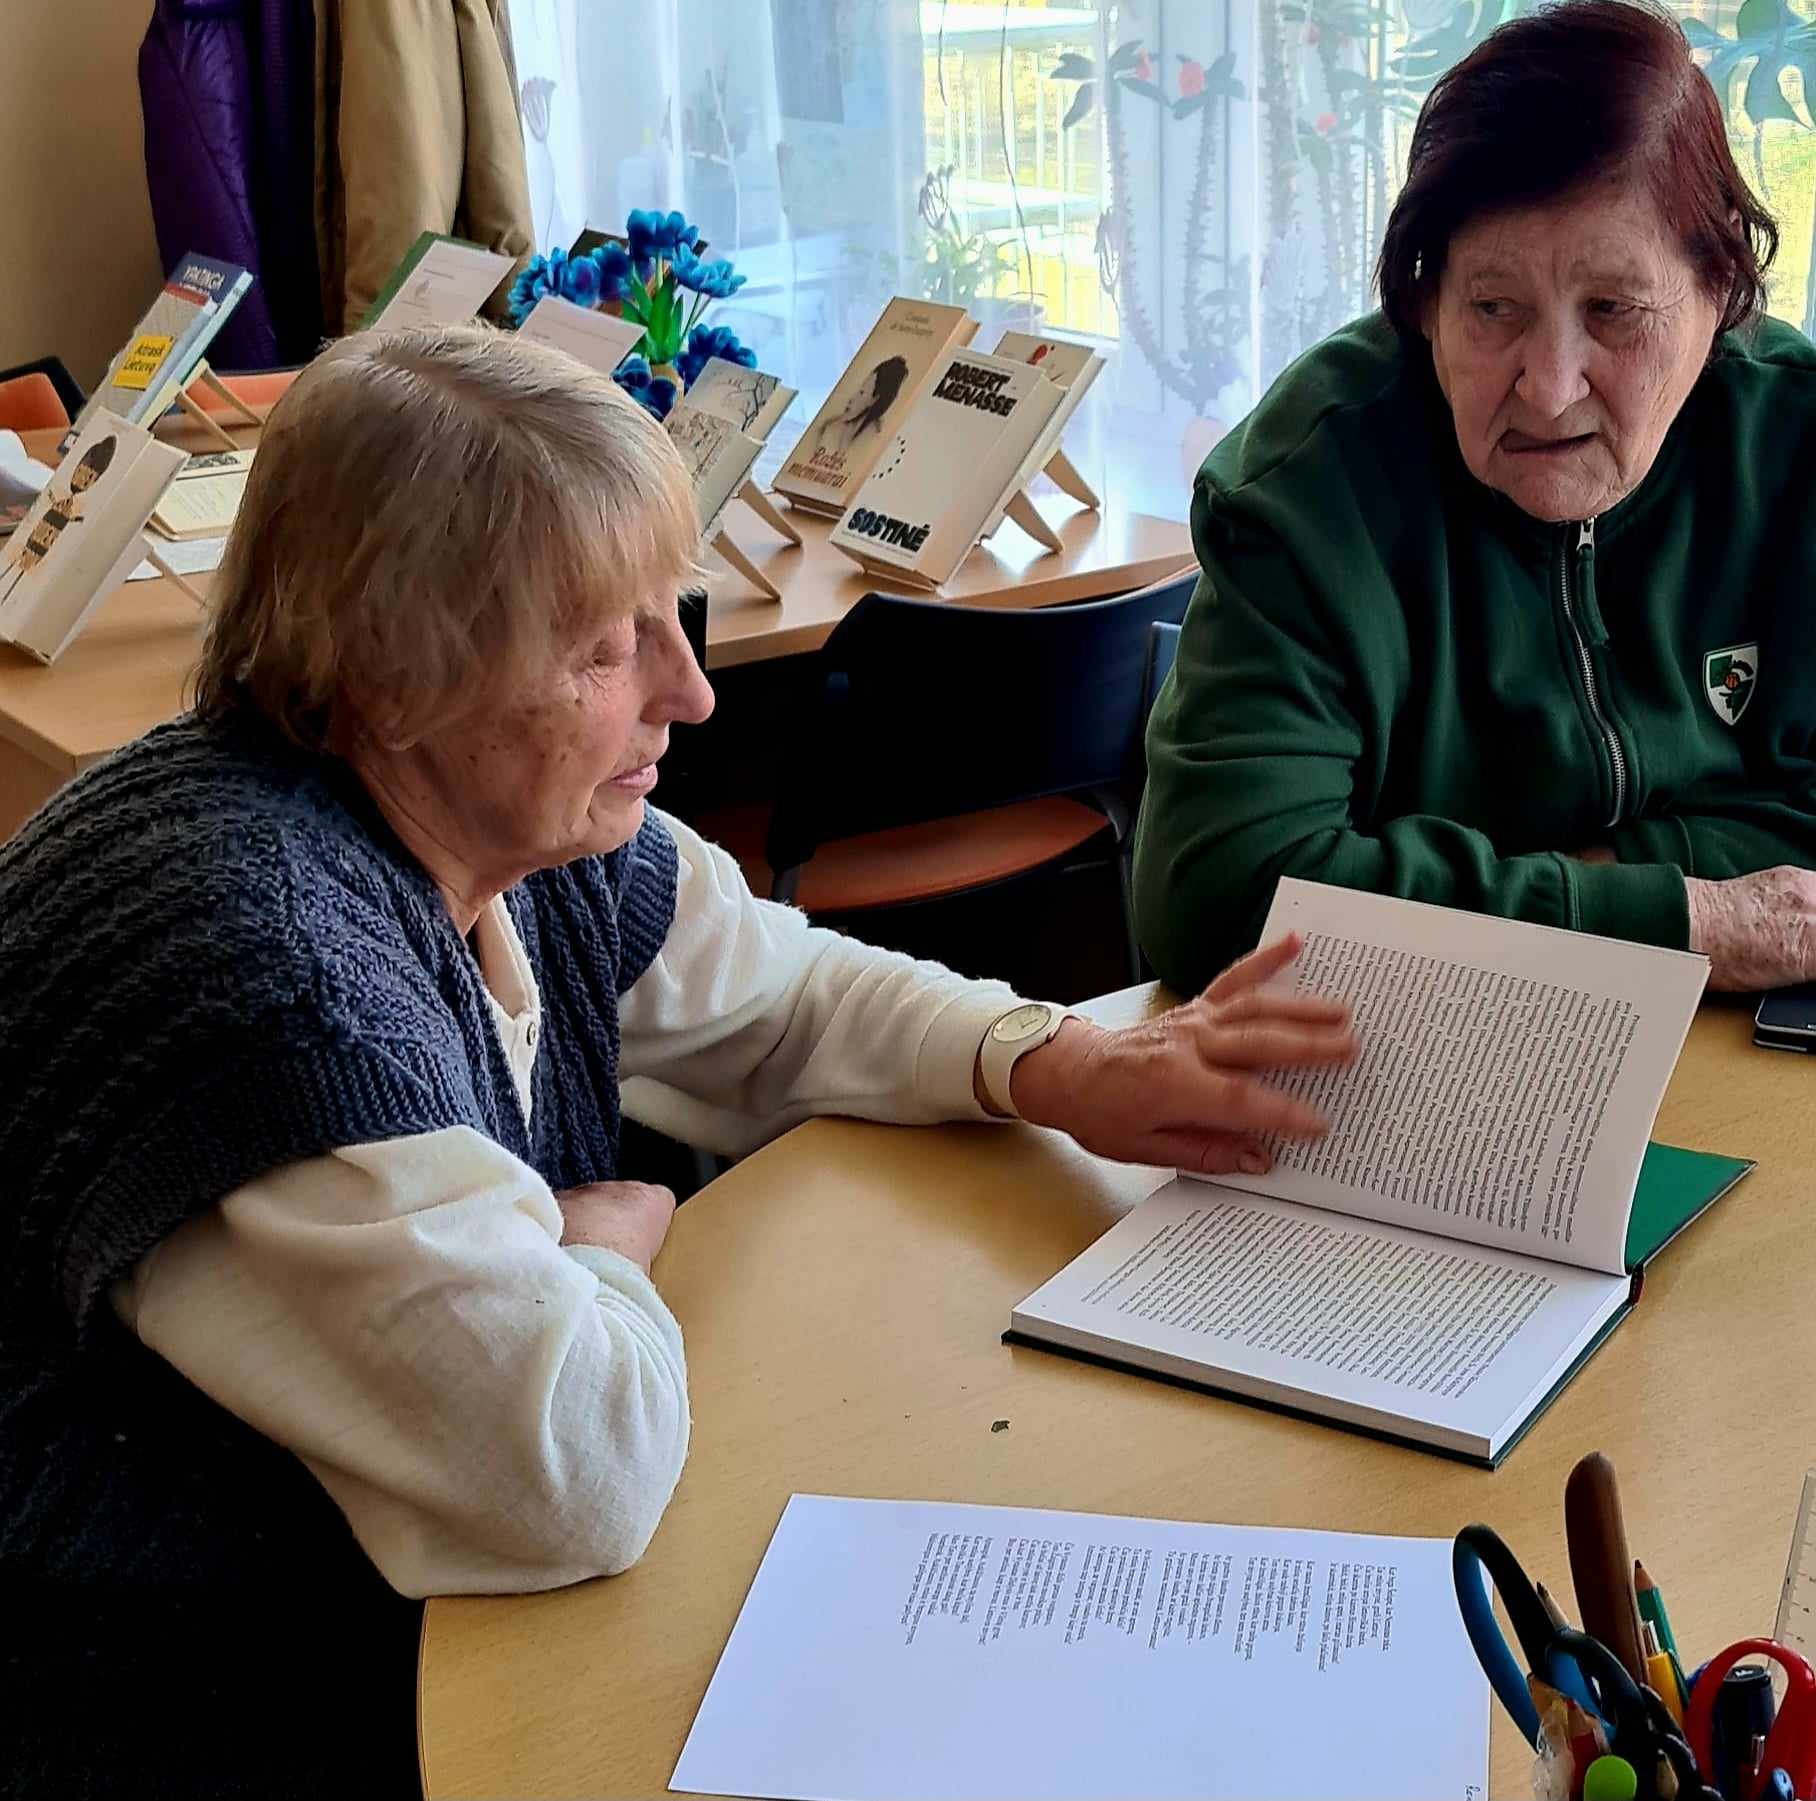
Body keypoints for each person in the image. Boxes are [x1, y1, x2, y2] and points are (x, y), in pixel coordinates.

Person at [0, 324, 1355, 1799]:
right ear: (392, 676)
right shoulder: (275, 988)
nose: (691, 691)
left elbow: (786, 992)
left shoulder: (501, 820)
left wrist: (1058, 1063)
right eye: (603, 646)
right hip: (166, 1690)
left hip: (382, 1585)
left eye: (671, 611)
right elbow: (573, 1478)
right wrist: (599, 1242)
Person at [1135, 0, 1816, 997]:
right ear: (1423, 302)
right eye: (1493, 308)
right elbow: (1220, 896)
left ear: (1719, 294)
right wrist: (1675, 914)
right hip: (1413, 1052)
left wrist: (1563, 887)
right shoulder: (1305, 490)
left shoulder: (1792, 437)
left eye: (1613, 311)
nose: (1549, 386)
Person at [813, 351, 910, 456]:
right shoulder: (831, 428)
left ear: (875, 399)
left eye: (861, 392)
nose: (851, 399)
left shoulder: (876, 438)